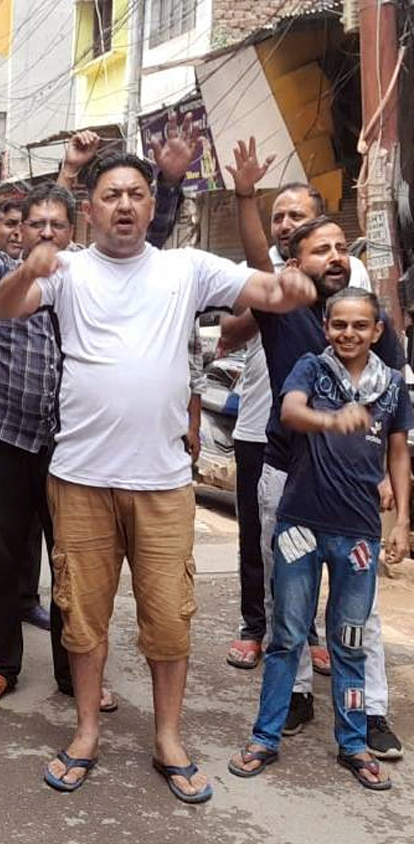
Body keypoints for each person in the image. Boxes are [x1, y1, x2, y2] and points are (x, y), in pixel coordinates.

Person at [0, 151, 317, 803]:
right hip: (80, 477)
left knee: (168, 621)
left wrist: (287, 273)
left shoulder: (184, 268)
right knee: (81, 618)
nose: (124, 205)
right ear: (91, 209)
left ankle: (169, 736)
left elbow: (269, 292)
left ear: (151, 204)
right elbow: (4, 308)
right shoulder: (68, 269)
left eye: (137, 194)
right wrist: (31, 265)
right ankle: (86, 731)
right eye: (111, 194)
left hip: (164, 481)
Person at [0, 120, 197, 711]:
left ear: (74, 228)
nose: (47, 233)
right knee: (3, 562)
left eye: (58, 225)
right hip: (7, 440)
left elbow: (147, 234)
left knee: (75, 573)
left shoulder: (95, 276)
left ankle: (71, 675)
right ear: (20, 233)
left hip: (73, 451)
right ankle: (2, 666)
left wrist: (167, 180)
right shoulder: (2, 276)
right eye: (36, 225)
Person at [219, 139, 402, 760]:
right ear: (292, 260)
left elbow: (396, 418)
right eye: (317, 248)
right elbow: (251, 258)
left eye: (339, 247)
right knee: (285, 603)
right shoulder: (285, 307)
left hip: (352, 494)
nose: (332, 256)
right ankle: (293, 697)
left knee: (361, 614)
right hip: (287, 482)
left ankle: (371, 711)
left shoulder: (370, 320)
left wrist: (391, 488)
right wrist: (246, 196)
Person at [229, 286, 409, 791]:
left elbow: (398, 454)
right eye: (338, 325)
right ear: (326, 326)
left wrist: (403, 525)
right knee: (286, 637)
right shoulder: (310, 368)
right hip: (299, 526)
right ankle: (265, 737)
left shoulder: (392, 386)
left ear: (377, 332)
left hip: (358, 534)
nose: (348, 334)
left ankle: (353, 743)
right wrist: (333, 420)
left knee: (349, 643)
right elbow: (289, 412)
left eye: (359, 326)